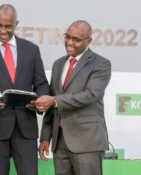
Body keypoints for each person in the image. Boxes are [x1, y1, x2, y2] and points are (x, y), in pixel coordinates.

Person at [0, 4, 49, 175]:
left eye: (8, 26)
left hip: (25, 129)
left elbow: (41, 83)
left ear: (16, 24)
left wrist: (40, 100)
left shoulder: (31, 50)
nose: (3, 30)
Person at [33, 20, 111, 175]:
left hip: (86, 142)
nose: (70, 42)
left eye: (76, 39)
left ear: (89, 41)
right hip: (60, 141)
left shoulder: (100, 64)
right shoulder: (58, 64)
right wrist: (45, 138)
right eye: (67, 37)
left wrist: (54, 100)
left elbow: (91, 95)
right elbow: (52, 102)